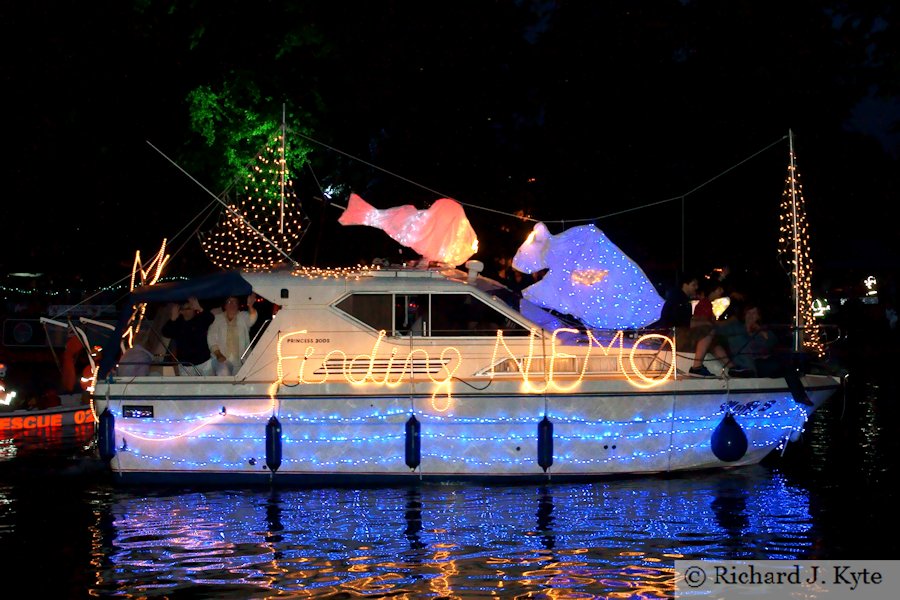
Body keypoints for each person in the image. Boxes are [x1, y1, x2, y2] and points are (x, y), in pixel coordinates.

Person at [658, 272, 744, 377]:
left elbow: (687, 320)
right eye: (694, 285)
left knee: (712, 340)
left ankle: (731, 368)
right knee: (709, 331)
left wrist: (703, 322)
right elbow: (683, 322)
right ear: (685, 285)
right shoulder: (678, 299)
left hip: (676, 334)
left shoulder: (682, 299)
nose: (696, 287)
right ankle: (696, 367)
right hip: (672, 336)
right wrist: (706, 323)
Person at [716, 300, 781, 377]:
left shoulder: (762, 330)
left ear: (758, 316)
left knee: (775, 366)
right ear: (744, 314)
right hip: (743, 363)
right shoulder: (736, 327)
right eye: (749, 313)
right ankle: (747, 370)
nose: (751, 316)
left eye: (754, 313)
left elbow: (771, 343)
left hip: (761, 362)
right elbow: (719, 330)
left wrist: (760, 331)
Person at [162, 296, 215, 376]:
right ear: (181, 311)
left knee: (207, 387)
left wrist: (199, 308)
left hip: (204, 362)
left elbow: (210, 318)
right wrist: (172, 318)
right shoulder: (177, 323)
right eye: (184, 309)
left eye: (189, 308)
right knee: (188, 387)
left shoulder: (200, 319)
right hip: (185, 365)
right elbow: (165, 332)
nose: (187, 311)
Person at [207, 293, 258, 375]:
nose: (232, 304)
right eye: (229, 302)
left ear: (238, 305)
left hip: (241, 361)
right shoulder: (216, 319)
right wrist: (218, 354)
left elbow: (252, 318)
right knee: (223, 373)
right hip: (222, 360)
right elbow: (211, 339)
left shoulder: (243, 316)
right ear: (225, 306)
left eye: (235, 302)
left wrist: (250, 306)